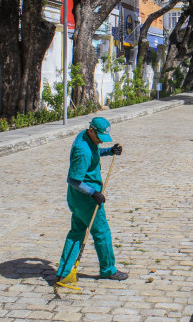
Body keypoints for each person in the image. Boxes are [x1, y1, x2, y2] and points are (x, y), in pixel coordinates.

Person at [55, 117, 128, 282]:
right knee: (102, 232)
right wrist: (93, 193)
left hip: (76, 199)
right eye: (99, 138)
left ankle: (63, 272)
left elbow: (94, 152)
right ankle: (108, 269)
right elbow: (73, 180)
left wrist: (109, 151)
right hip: (86, 200)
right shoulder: (82, 150)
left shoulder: (85, 138)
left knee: (77, 232)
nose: (100, 142)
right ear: (91, 130)